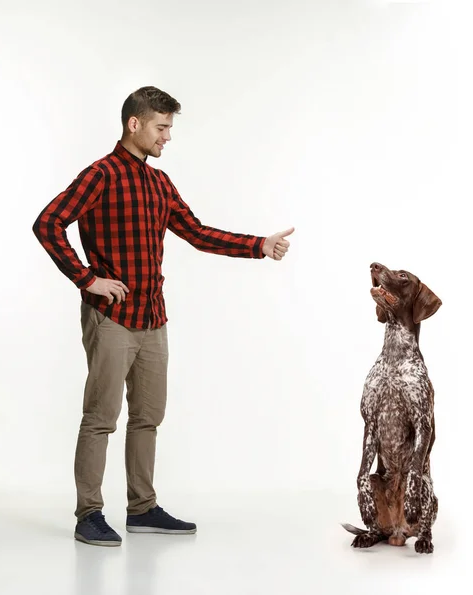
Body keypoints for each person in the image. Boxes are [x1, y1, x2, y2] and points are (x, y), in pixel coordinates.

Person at [32, 86, 294, 547]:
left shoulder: (159, 182)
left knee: (148, 417)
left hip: (153, 318)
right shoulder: (100, 175)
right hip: (111, 317)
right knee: (100, 417)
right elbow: (48, 222)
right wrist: (86, 278)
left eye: (170, 127)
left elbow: (196, 232)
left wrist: (259, 245)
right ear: (134, 124)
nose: (167, 136)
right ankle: (88, 514)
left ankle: (142, 508)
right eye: (162, 126)